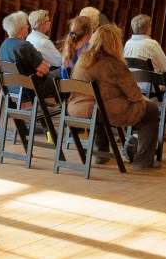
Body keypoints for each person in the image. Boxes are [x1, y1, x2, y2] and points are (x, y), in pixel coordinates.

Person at [67, 23, 161, 171]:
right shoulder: (113, 63)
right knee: (151, 111)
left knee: (99, 109)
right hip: (103, 110)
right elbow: (134, 95)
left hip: (78, 108)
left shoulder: (83, 58)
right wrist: (144, 100)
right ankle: (143, 161)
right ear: (115, 42)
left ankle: (102, 153)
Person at [0, 11, 57, 104]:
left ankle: (42, 105)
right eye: (26, 25)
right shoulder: (24, 46)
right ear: (21, 29)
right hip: (30, 88)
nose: (28, 27)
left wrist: (36, 70)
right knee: (60, 77)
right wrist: (38, 71)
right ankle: (66, 109)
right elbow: (45, 69)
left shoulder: (4, 44)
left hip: (11, 88)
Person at [124, 14, 166, 95]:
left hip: (134, 84)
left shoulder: (128, 43)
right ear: (148, 28)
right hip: (152, 85)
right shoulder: (152, 44)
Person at [26, 9, 62, 74]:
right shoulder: (44, 43)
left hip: (33, 73)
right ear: (42, 24)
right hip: (45, 75)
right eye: (48, 21)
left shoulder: (29, 36)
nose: (50, 22)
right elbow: (59, 62)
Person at [60, 15, 94, 79]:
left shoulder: (67, 50)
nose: (92, 32)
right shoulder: (89, 51)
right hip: (79, 86)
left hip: (67, 86)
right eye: (92, 30)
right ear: (87, 33)